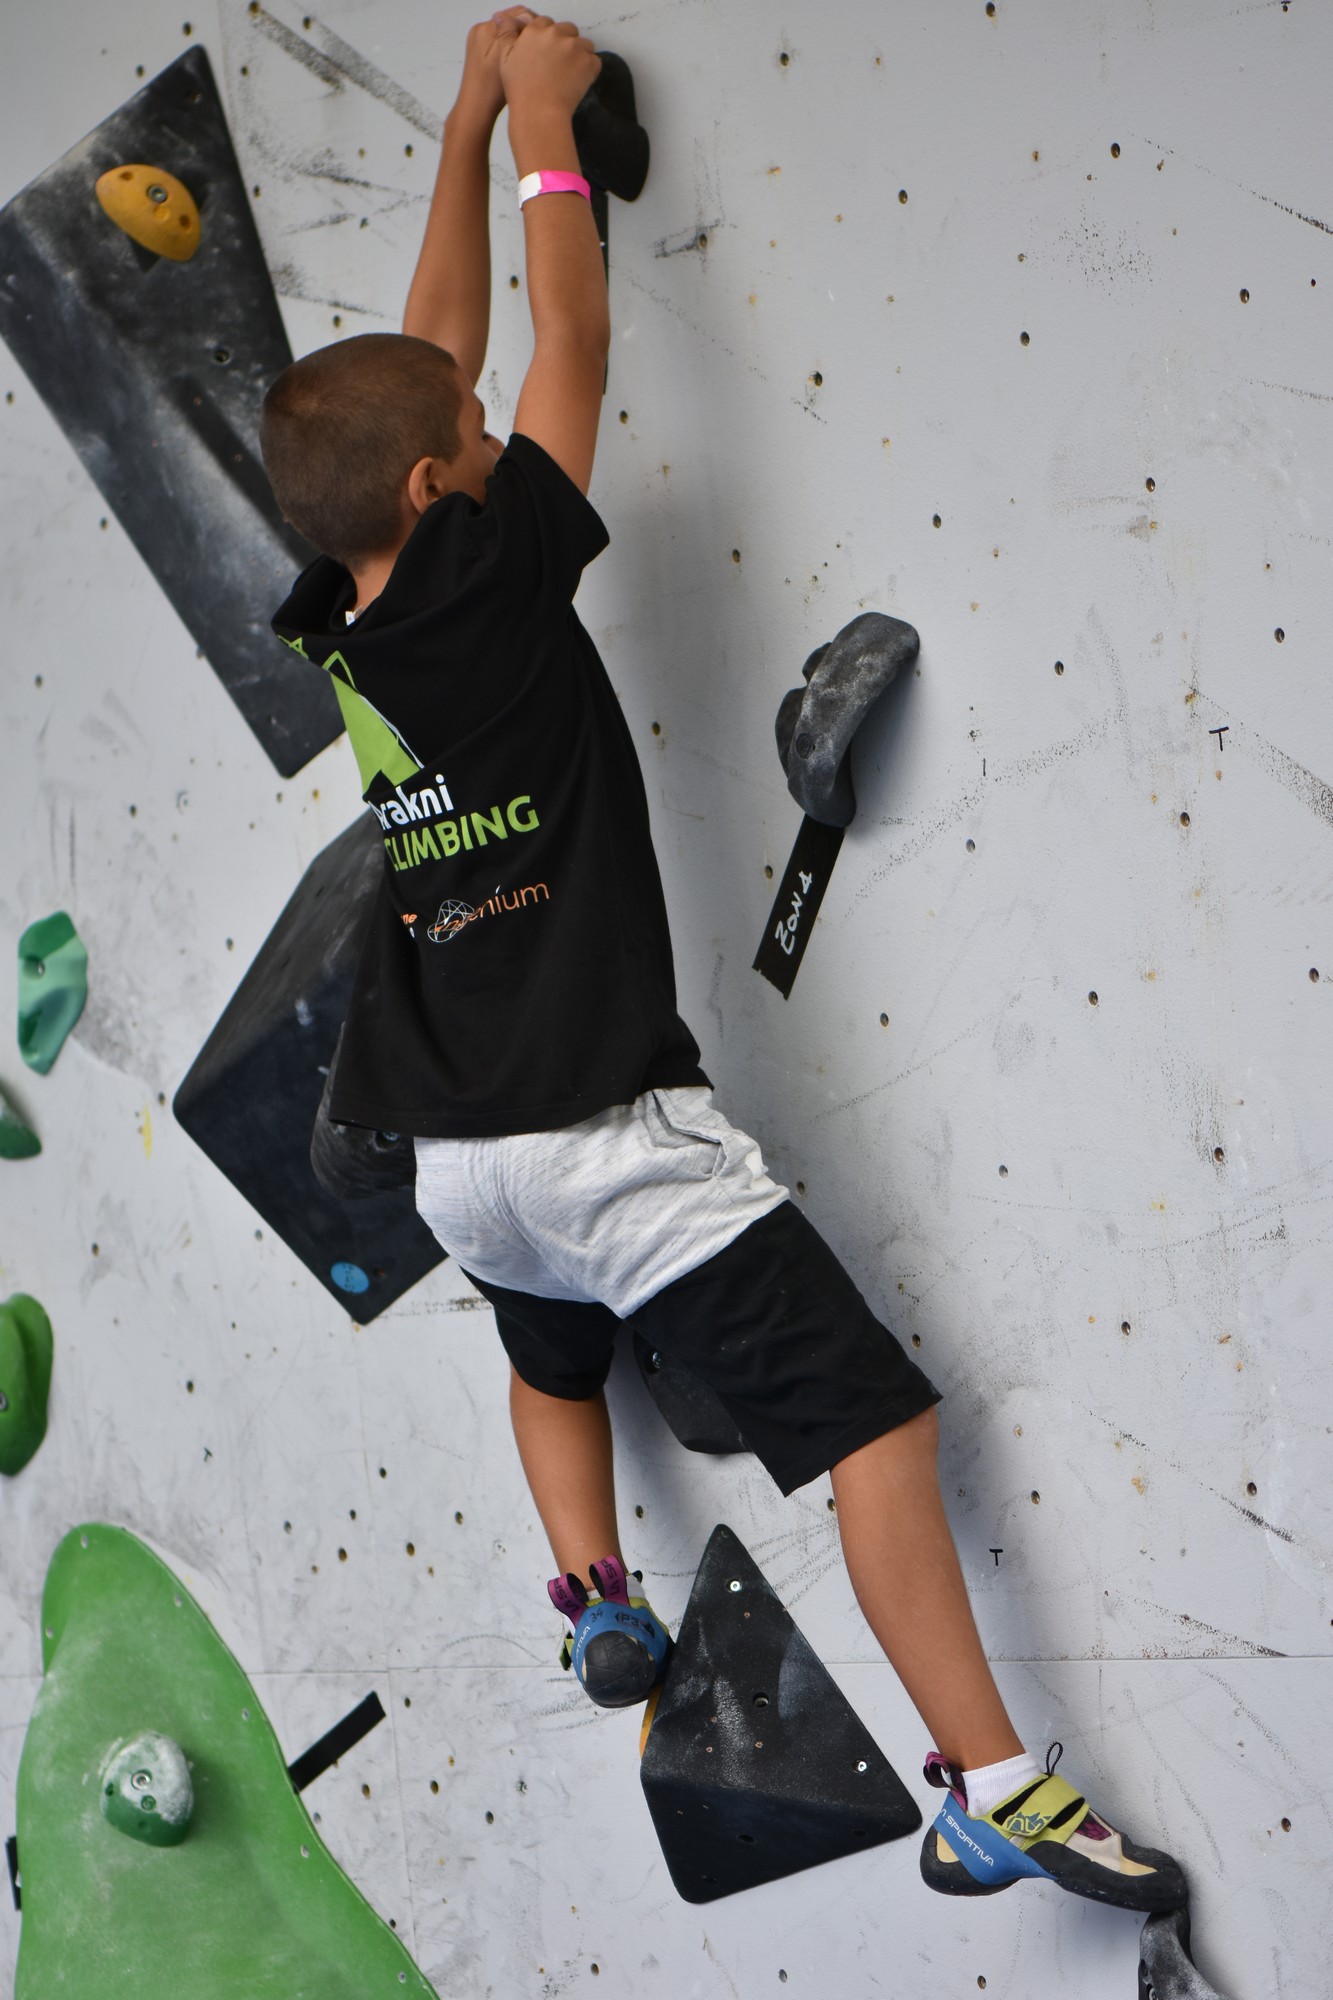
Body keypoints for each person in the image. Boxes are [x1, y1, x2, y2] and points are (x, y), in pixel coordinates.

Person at [260, 10, 1185, 1915]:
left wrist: (456, 117)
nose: (493, 429)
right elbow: (565, 341)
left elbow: (431, 365)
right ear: (444, 492)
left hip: (460, 1164)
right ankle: (991, 1784)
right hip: (606, 1140)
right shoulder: (499, 566)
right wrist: (540, 130)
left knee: (548, 1351)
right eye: (470, 443)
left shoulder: (350, 616)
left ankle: (591, 1584)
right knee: (874, 1421)